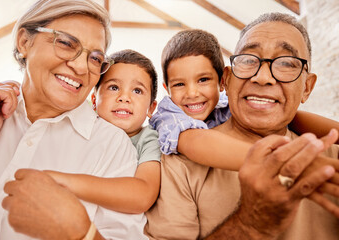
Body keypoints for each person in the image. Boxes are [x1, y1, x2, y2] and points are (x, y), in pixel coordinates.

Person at [144, 13, 339, 240]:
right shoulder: (178, 162)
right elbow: (194, 141)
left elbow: (295, 117)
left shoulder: (331, 158)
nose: (263, 77)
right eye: (248, 60)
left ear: (307, 87)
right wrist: (250, 225)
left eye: (286, 63)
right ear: (228, 78)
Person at [0, 0, 147, 239]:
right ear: (24, 42)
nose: (81, 67)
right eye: (67, 43)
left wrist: (81, 233)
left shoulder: (111, 145)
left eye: (95, 59)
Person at [44, 49, 161, 214]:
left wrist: (67, 183)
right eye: (114, 87)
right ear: (94, 100)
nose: (124, 97)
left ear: (151, 108)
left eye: (137, 91)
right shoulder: (80, 127)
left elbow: (143, 195)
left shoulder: (149, 138)